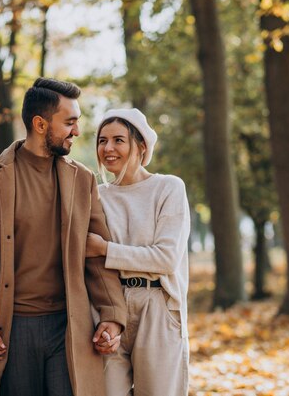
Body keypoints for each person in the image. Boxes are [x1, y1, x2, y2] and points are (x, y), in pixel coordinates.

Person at [0, 78, 127, 396]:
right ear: (41, 124)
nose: (76, 131)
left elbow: (96, 256)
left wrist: (112, 316)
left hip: (69, 327)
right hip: (11, 329)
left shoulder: (82, 180)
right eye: (70, 122)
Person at [86, 108, 190, 396]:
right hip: (109, 308)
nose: (108, 148)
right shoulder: (96, 195)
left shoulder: (168, 188)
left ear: (141, 145)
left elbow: (166, 259)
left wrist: (105, 249)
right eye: (102, 140)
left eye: (118, 140)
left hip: (158, 306)